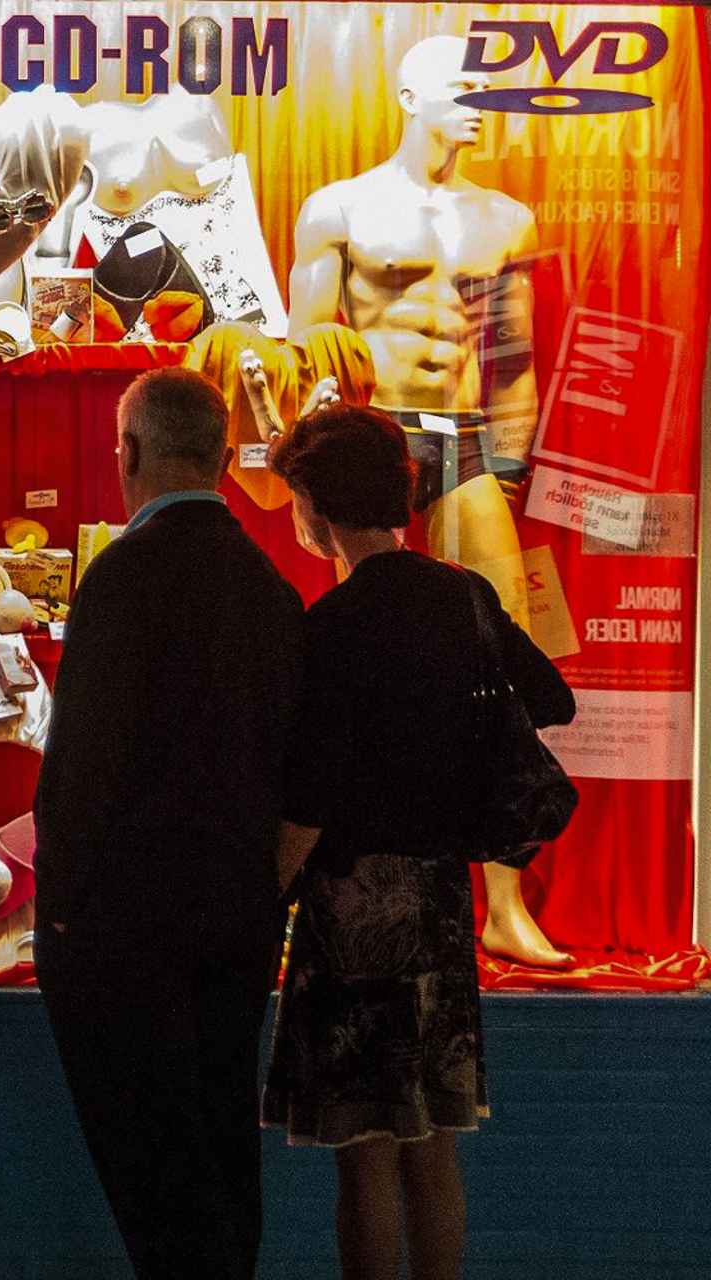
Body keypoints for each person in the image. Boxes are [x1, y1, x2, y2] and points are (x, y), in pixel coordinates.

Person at [260, 405, 575, 1280]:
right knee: (434, 1146)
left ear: (314, 508)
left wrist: (260, 899)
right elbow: (552, 700)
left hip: (352, 907)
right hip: (439, 900)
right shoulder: (463, 597)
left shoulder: (329, 626)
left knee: (364, 1157)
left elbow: (309, 797)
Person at [284, 33, 566, 970]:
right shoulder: (341, 208)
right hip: (377, 438)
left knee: (498, 654)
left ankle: (504, 906)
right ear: (410, 94)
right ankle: (334, 884)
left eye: (487, 87)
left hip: (466, 436)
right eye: (464, 85)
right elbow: (308, 349)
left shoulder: (505, 219)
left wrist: (508, 472)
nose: (480, 103)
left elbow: (512, 361)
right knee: (358, 665)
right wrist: (314, 477)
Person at [34, 366, 305, 1279]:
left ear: (129, 453)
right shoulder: (270, 584)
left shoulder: (121, 576)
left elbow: (83, 762)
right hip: (236, 918)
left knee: (155, 1175)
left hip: (127, 928)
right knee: (223, 1148)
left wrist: (59, 910)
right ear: (226, 462)